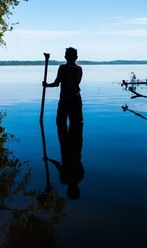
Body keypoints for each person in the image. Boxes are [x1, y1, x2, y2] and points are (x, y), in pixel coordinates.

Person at [43, 47, 84, 198]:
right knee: (76, 126)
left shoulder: (63, 67)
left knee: (61, 124)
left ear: (67, 57)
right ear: (76, 57)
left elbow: (57, 83)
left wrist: (46, 85)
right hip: (76, 99)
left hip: (67, 100)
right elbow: (76, 83)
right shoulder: (80, 176)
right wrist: (50, 160)